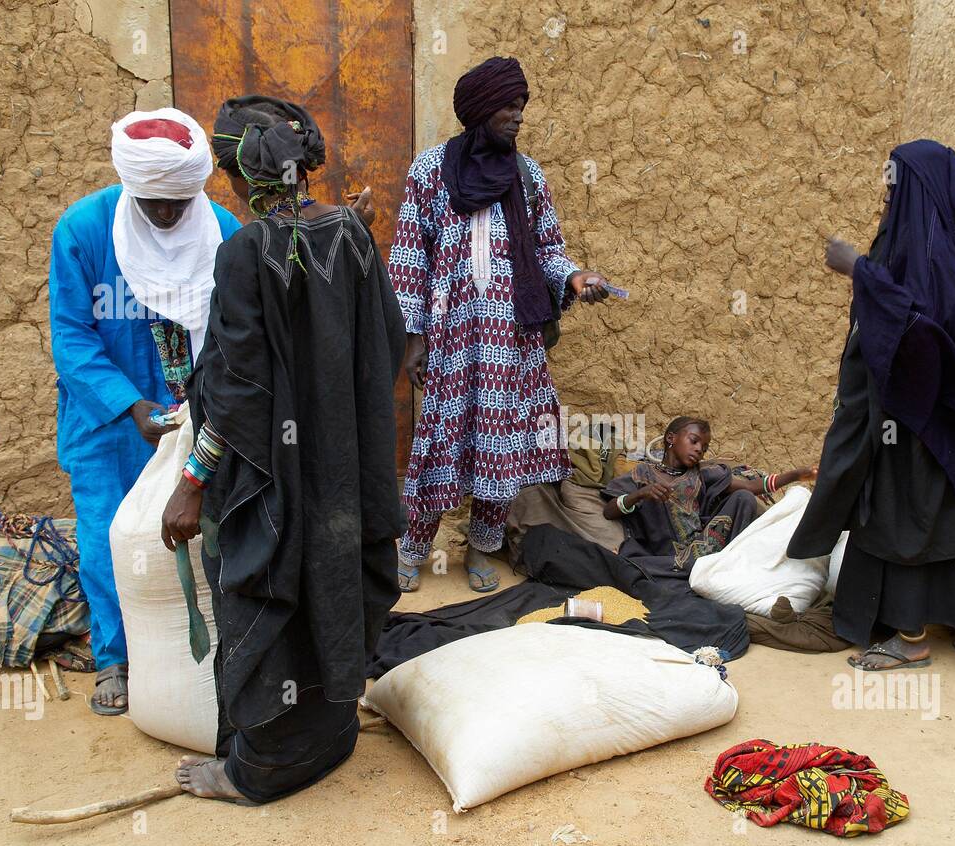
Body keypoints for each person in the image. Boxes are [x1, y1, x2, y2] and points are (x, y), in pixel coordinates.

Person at [159, 95, 405, 803]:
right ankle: (328, 739)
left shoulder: (245, 252)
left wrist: (193, 481)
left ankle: (257, 771)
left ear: (238, 175)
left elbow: (238, 391)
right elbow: (387, 345)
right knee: (333, 593)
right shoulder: (353, 237)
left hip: (275, 483)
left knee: (266, 598)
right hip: (343, 477)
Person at [786, 140, 955, 671]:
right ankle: (900, 621)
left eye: (892, 187)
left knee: (907, 518)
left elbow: (925, 323)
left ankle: (910, 640)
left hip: (918, 419)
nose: (885, 197)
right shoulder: (911, 239)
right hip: (904, 412)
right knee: (900, 514)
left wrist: (859, 268)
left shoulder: (930, 252)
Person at [389, 56, 613, 595]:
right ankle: (414, 547)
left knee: (501, 446)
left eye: (521, 106)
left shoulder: (529, 176)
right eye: (509, 107)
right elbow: (408, 258)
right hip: (451, 335)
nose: (518, 116)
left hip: (512, 341)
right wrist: (414, 337)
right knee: (439, 441)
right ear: (480, 110)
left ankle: (483, 549)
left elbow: (548, 249)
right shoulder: (431, 171)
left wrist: (575, 278)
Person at [49, 108, 240, 715]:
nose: (166, 213)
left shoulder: (224, 232)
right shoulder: (84, 230)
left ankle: (209, 652)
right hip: (109, 422)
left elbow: (242, 332)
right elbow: (72, 337)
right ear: (131, 186)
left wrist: (209, 408)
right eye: (153, 202)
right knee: (110, 536)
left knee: (208, 531)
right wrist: (130, 404)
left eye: (178, 202)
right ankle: (115, 657)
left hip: (200, 418)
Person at [602, 417, 817, 577]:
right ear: (671, 438)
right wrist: (639, 495)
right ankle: (695, 567)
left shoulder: (703, 474)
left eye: (704, 448)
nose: (699, 450)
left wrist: (796, 475)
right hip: (667, 554)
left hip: (708, 545)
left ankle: (719, 563)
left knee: (743, 497)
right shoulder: (642, 474)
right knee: (632, 563)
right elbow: (609, 510)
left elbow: (751, 486)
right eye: (694, 441)